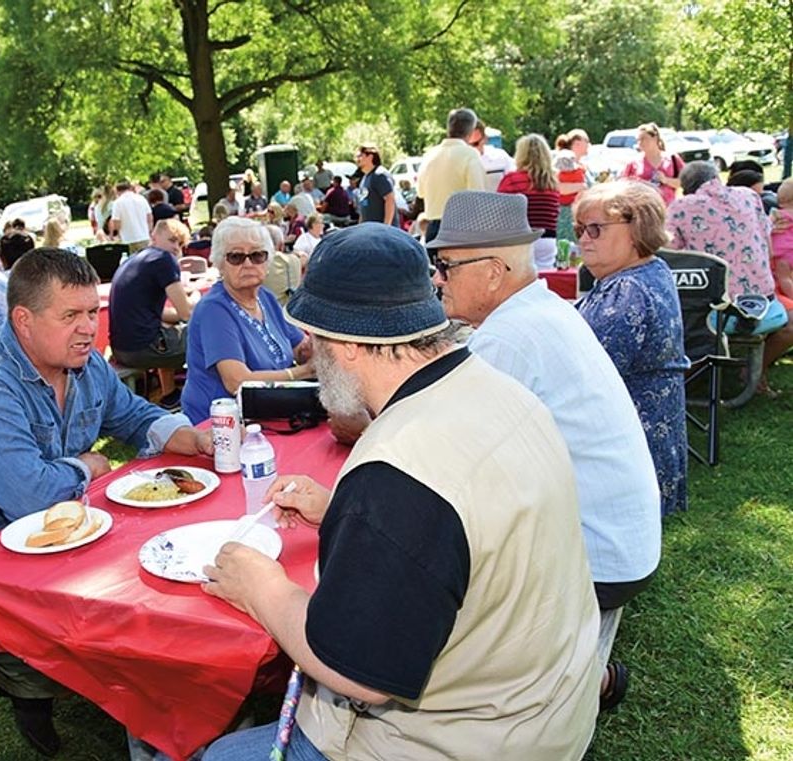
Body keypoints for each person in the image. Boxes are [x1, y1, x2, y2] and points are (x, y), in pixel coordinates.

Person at [201, 223, 601, 761]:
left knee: (218, 755)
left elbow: (357, 672)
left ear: (341, 345)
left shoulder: (397, 475)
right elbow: (460, 526)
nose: (311, 352)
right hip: (542, 710)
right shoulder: (500, 391)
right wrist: (345, 509)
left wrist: (262, 587)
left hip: (462, 742)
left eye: (314, 339)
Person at [0, 248, 212, 757]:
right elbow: (32, 497)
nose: (89, 329)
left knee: (144, 601)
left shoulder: (85, 364)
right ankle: (25, 690)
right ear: (22, 320)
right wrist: (86, 468)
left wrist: (187, 435)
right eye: (70, 315)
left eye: (93, 312)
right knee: (65, 654)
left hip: (56, 538)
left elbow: (132, 414)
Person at [427, 190, 661, 710]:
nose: (437, 278)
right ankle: (589, 678)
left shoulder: (508, 338)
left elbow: (457, 462)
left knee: (440, 561)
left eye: (444, 265)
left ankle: (566, 687)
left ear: (492, 272)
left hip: (599, 557)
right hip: (621, 542)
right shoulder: (538, 311)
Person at [575, 181, 689, 516]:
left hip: (628, 452)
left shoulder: (627, 289)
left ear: (637, 229)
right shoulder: (650, 270)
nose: (583, 239)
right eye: (581, 229)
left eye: (595, 229)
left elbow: (586, 373)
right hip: (650, 439)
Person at [665, 160, 793, 394]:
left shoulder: (681, 207)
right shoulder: (749, 196)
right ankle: (755, 372)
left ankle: (689, 380)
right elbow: (768, 244)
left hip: (716, 315)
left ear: (687, 188)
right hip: (764, 307)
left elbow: (669, 256)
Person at [180, 217, 314, 424]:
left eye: (257, 255)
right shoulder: (214, 310)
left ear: (267, 261)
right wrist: (302, 372)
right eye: (236, 257)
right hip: (221, 427)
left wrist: (321, 341)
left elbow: (301, 349)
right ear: (219, 263)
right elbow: (237, 382)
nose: (248, 263)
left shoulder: (265, 297)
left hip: (271, 413)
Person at [110, 219, 198, 408]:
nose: (176, 248)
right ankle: (208, 392)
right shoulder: (163, 260)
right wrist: (197, 297)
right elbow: (186, 313)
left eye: (181, 244)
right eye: (172, 240)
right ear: (154, 237)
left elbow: (157, 315)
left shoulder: (137, 258)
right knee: (209, 333)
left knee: (170, 331)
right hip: (143, 349)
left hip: (121, 348)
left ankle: (170, 395)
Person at [417, 107, 486, 242]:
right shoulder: (470, 155)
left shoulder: (429, 155)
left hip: (434, 227)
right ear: (471, 132)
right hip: (461, 227)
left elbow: (420, 192)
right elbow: (478, 195)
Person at [496, 134, 560, 268]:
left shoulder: (512, 180)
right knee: (545, 277)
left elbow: (498, 213)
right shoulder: (552, 183)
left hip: (520, 240)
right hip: (547, 240)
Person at [620, 122, 683, 206]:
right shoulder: (633, 162)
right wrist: (640, 183)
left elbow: (683, 182)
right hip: (643, 208)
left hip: (668, 208)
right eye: (638, 140)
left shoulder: (672, 158)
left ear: (655, 138)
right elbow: (623, 185)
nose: (640, 142)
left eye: (644, 138)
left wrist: (666, 180)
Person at [555, 129, 592, 241]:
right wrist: (583, 187)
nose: (589, 145)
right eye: (587, 141)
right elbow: (559, 188)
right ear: (577, 143)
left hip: (580, 214)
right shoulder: (561, 163)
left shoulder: (581, 165)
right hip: (566, 216)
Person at [467, 118, 515, 190]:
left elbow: (514, 182)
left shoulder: (500, 157)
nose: (472, 149)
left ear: (485, 139)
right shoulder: (457, 161)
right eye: (467, 145)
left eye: (475, 144)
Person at [354, 144, 395, 226]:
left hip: (382, 232)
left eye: (360, 156)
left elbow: (390, 199)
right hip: (368, 231)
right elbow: (363, 208)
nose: (357, 159)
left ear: (370, 157)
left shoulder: (380, 175)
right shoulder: (365, 178)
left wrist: (386, 226)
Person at [110, 179, 153, 253]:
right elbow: (149, 217)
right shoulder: (141, 199)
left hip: (127, 238)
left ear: (117, 191)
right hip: (144, 236)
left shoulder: (118, 203)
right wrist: (148, 230)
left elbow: (116, 223)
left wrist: (116, 234)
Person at [771, 178, 793, 306]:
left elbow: (766, 226)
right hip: (791, 250)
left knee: (783, 278)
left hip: (780, 252)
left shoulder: (777, 214)